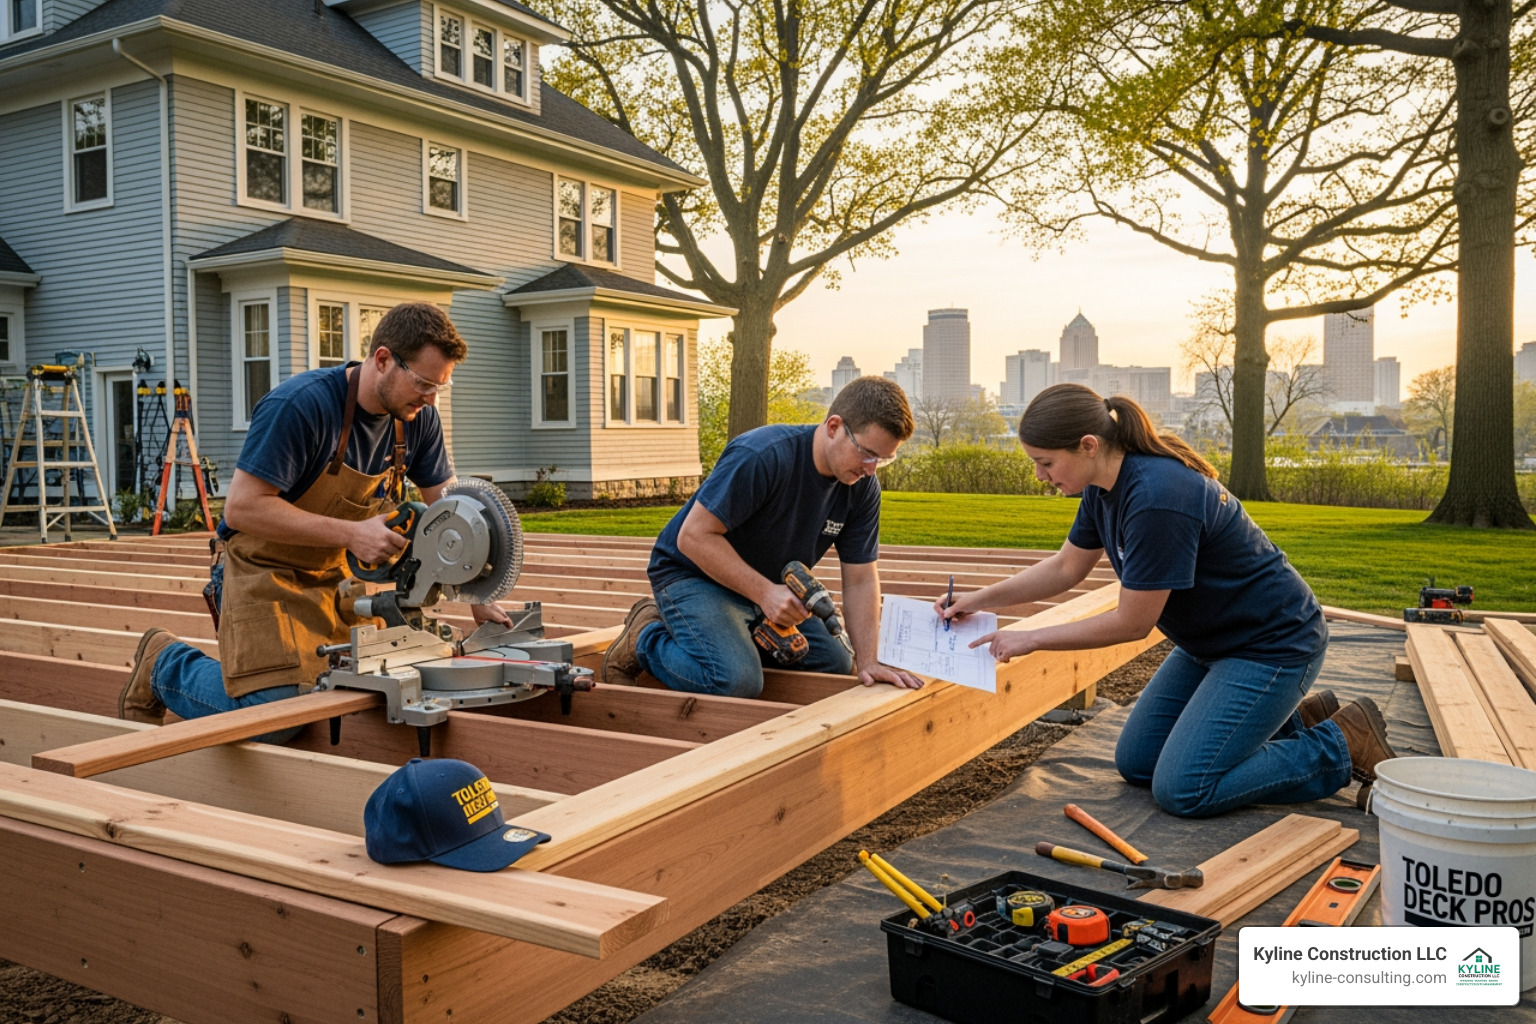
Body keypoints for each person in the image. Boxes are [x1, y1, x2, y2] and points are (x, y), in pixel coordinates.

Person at [936, 383, 1396, 817]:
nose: (1039, 475)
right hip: (1209, 645)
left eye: (1046, 462)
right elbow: (1065, 568)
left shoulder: (1157, 498)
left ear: (1088, 445)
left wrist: (1032, 639)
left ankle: (1340, 744)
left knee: (1184, 789)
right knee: (1138, 763)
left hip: (1271, 646)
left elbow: (1131, 623)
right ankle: (1297, 723)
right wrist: (978, 599)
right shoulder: (1101, 488)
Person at [118, 301, 511, 729]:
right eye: (423, 383)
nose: (431, 397)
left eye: (440, 386)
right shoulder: (300, 407)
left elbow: (447, 514)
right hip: (264, 571)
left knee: (371, 688)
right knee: (280, 719)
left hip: (339, 580)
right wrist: (351, 533)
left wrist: (478, 596)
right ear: (382, 360)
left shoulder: (417, 419)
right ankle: (166, 663)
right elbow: (243, 507)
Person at [602, 375, 924, 697]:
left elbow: (861, 579)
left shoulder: (862, 487)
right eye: (866, 453)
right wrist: (766, 594)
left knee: (837, 662)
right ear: (833, 427)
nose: (871, 468)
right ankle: (646, 636)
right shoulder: (763, 456)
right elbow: (694, 537)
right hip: (694, 575)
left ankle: (735, 644)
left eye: (882, 459)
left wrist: (868, 660)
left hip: (767, 589)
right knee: (736, 682)